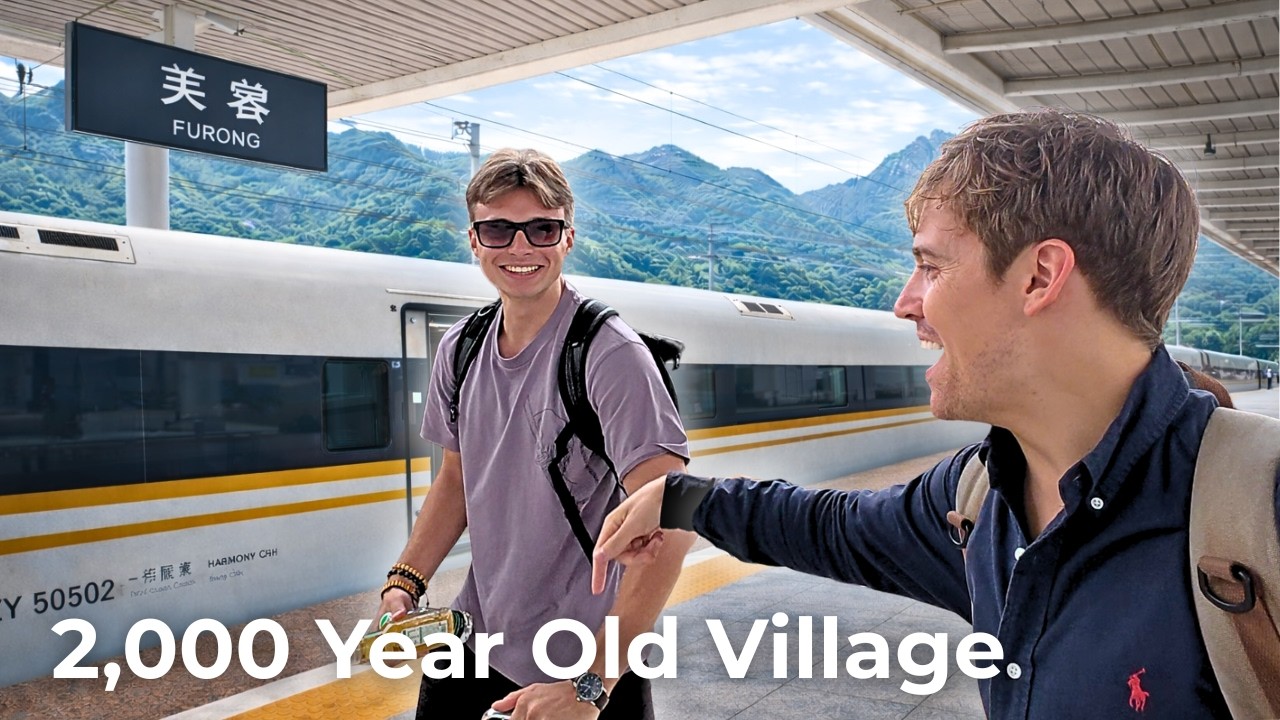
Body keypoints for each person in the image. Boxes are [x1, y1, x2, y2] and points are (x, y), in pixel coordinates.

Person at [593, 109, 1277, 718]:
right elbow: (830, 526)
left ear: (1041, 276)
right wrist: (682, 499)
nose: (905, 303)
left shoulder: (1259, 510)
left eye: (930, 267)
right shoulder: (975, 504)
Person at [380, 148, 693, 720]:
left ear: (566, 238)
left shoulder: (608, 353)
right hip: (476, 638)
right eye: (498, 229)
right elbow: (457, 479)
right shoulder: (461, 346)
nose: (520, 248)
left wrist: (593, 686)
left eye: (540, 229)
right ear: (474, 240)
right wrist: (407, 578)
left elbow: (675, 517)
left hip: (585, 659)